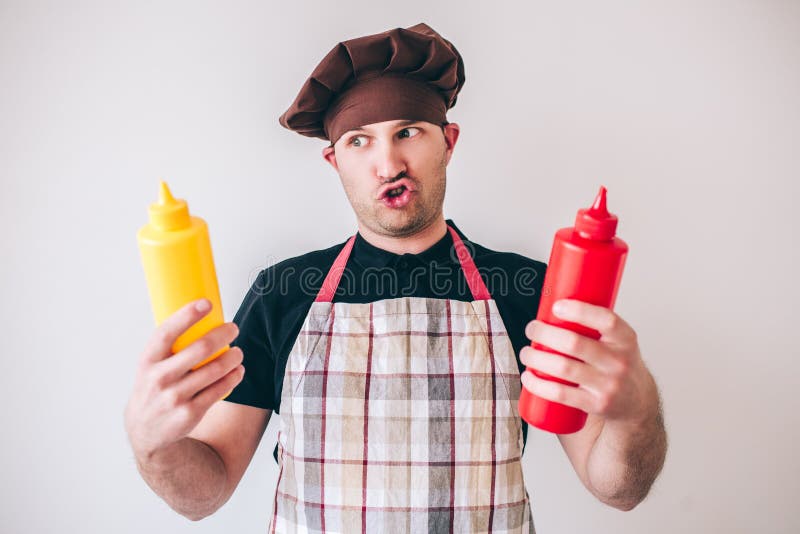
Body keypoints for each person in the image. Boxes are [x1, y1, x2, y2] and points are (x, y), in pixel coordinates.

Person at [124, 23, 667, 533]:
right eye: (360, 140)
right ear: (334, 161)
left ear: (448, 141)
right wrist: (154, 444)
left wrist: (635, 408)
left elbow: (618, 490)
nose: (389, 164)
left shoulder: (527, 292)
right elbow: (204, 493)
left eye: (408, 132)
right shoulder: (282, 293)